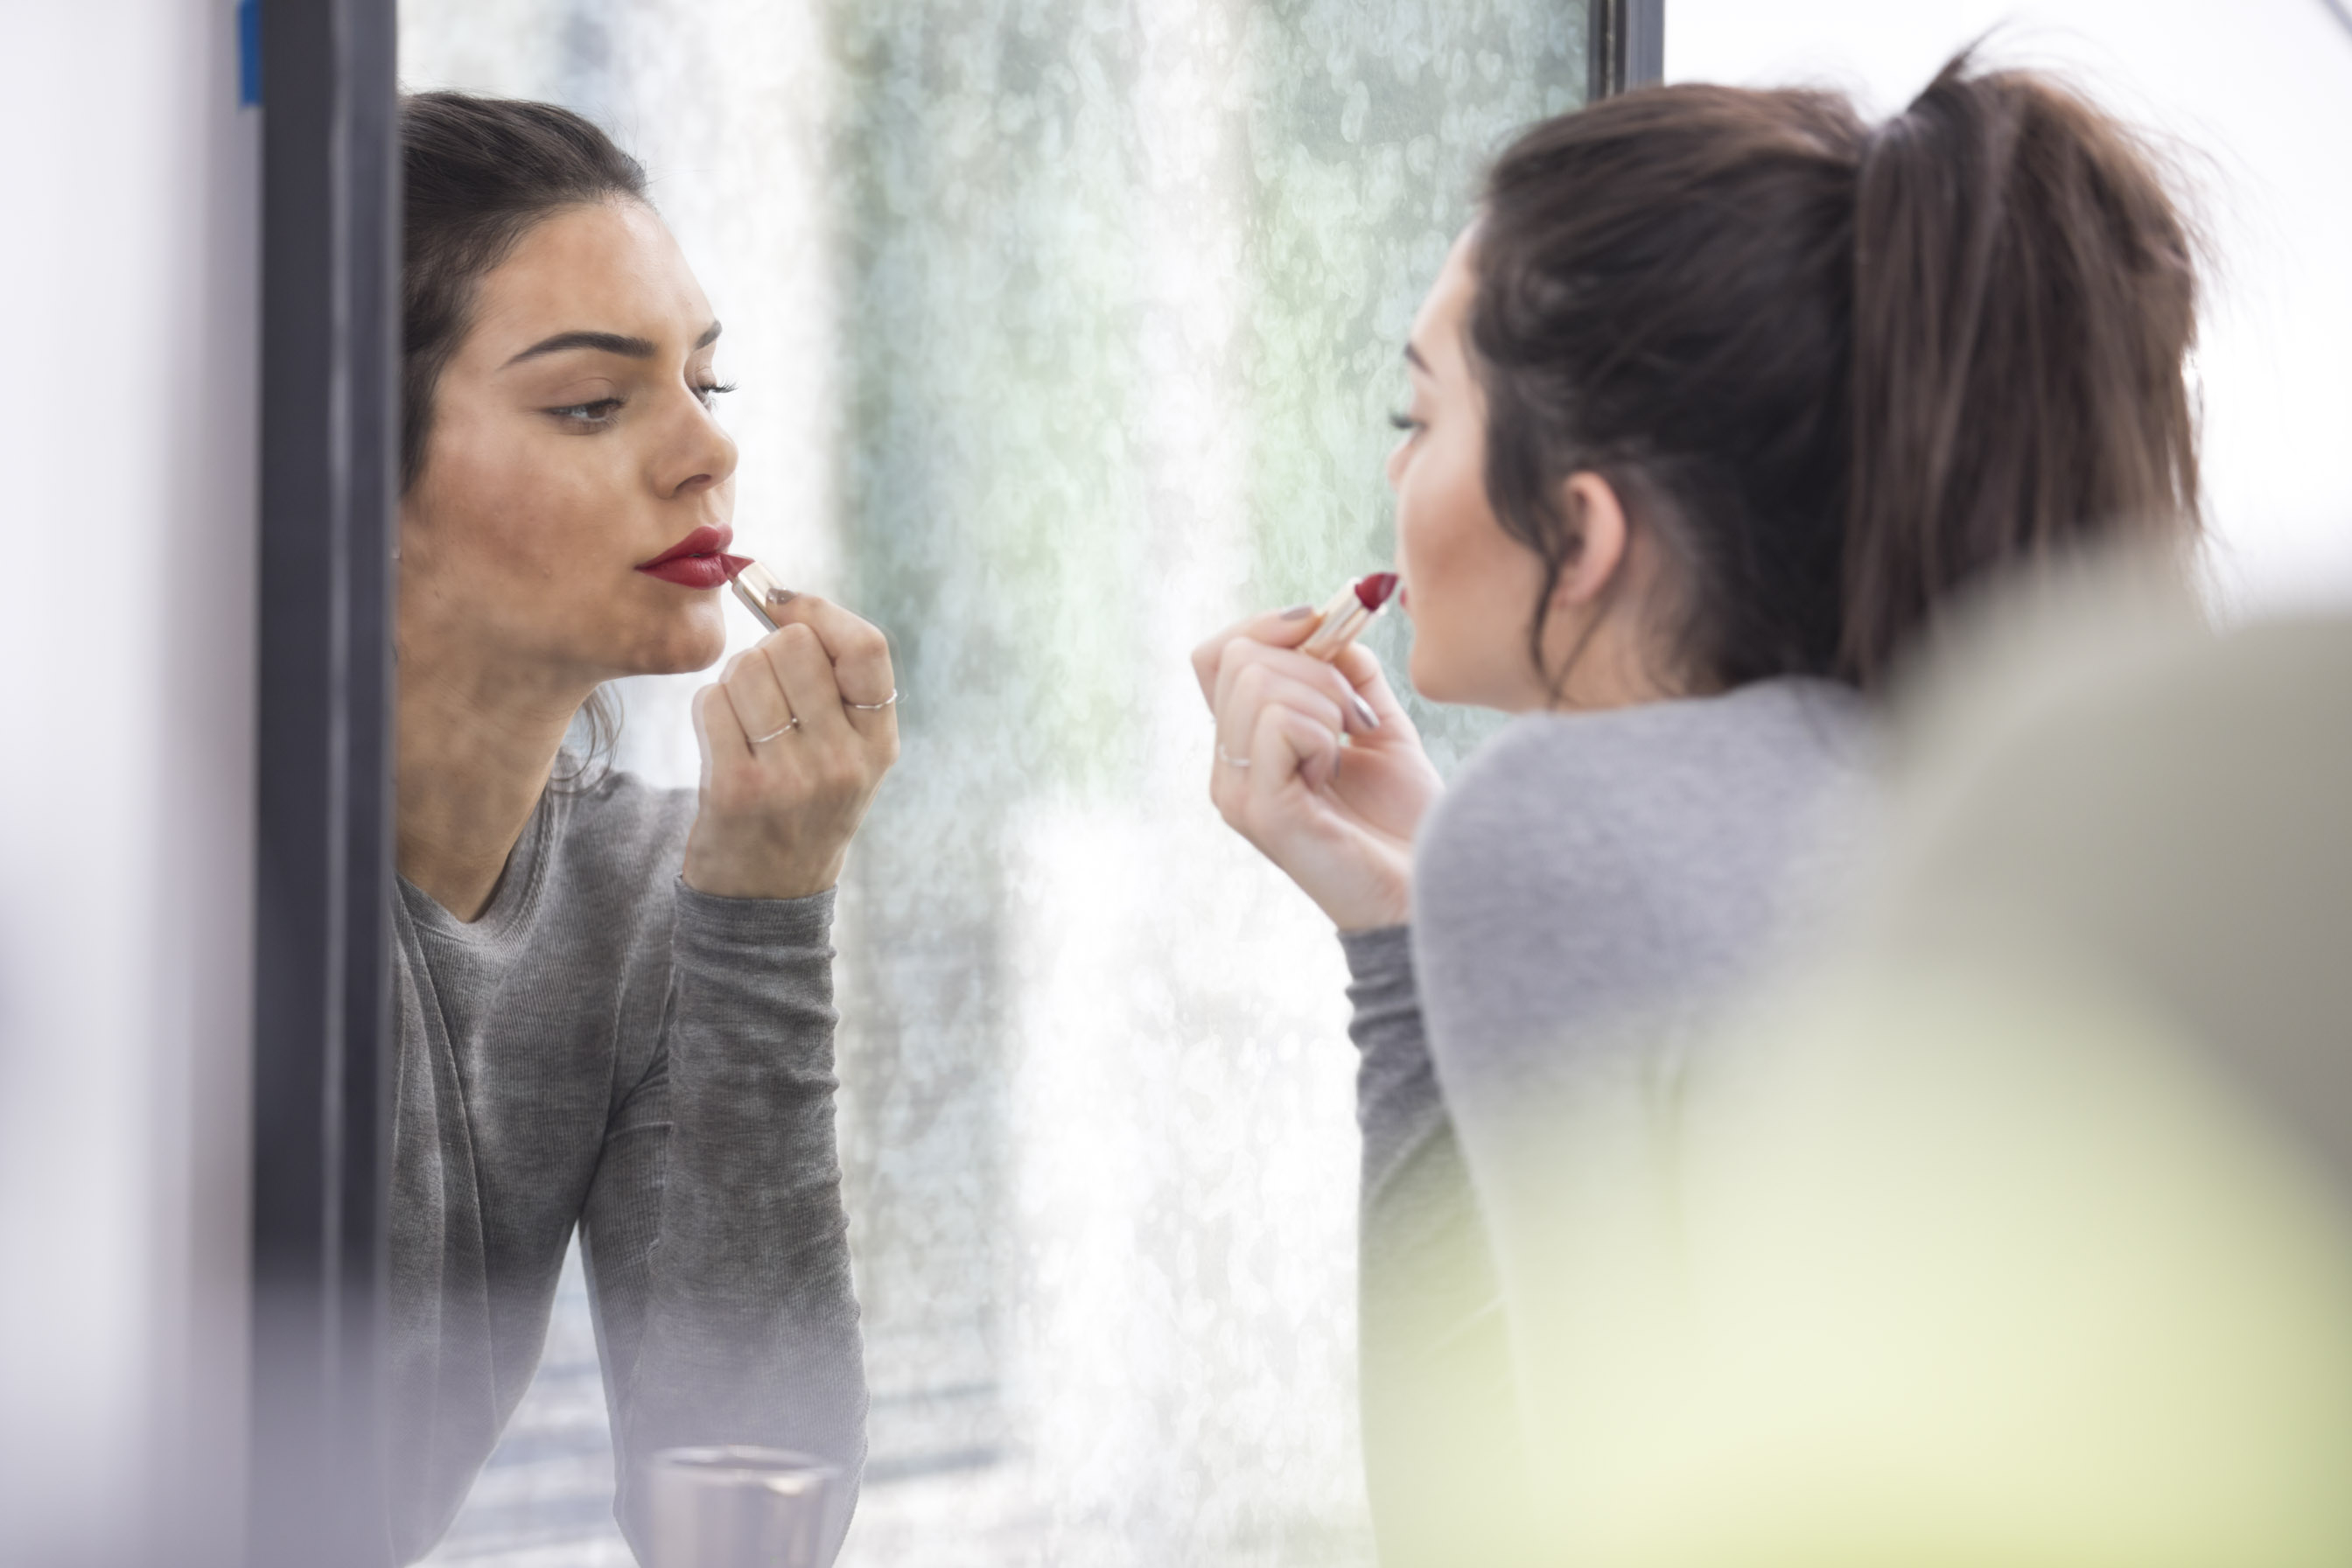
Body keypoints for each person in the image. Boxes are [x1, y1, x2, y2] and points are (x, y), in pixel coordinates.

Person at [1193, 52, 2200, 1563]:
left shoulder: (1557, 826)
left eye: (1419, 418)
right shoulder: (1999, 781)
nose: (1395, 476)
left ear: (1580, 529)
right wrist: (1405, 904)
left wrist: (1416, 937)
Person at [388, 94, 892, 1564]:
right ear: (344, 465)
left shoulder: (641, 890)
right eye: (594, 405)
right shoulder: (195, 869)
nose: (704, 459)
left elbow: (748, 1518)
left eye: (706, 388)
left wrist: (762, 911)